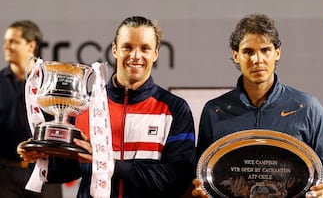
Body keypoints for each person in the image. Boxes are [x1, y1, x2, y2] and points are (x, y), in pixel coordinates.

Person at [18, 16, 196, 198]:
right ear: (114, 49)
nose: (136, 56)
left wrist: (110, 165)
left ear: (156, 54)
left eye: (145, 48)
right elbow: (66, 170)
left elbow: (177, 179)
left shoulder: (174, 110)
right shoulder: (85, 107)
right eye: (127, 47)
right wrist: (41, 157)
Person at [191, 14, 323, 198]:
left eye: (265, 50)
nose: (258, 60)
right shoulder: (214, 111)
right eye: (249, 52)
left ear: (277, 52)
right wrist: (202, 189)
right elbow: (203, 170)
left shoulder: (306, 107)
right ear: (236, 55)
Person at [0, 20, 63, 197]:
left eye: (13, 41)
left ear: (31, 45)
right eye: (6, 41)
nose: (7, 46)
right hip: (5, 177)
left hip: (47, 173)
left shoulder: (52, 82)